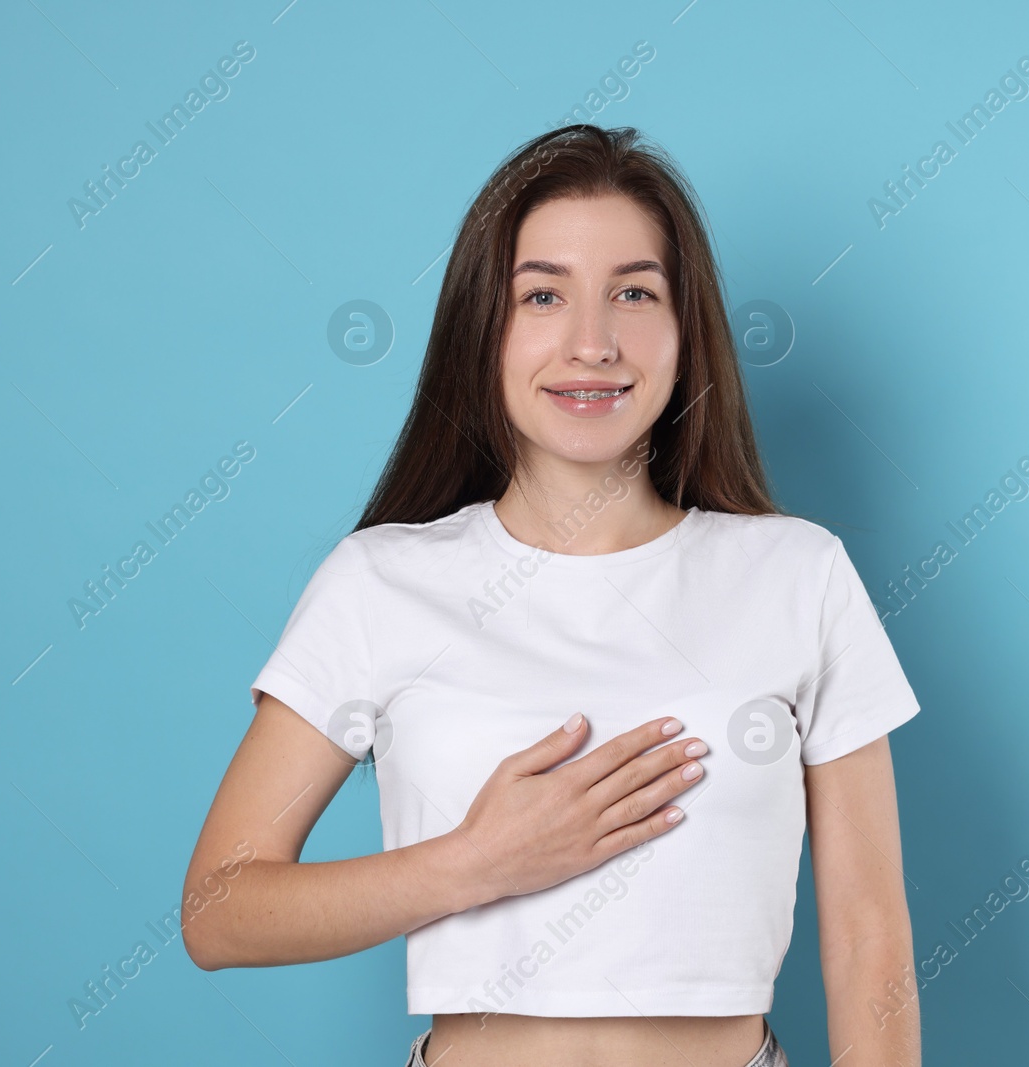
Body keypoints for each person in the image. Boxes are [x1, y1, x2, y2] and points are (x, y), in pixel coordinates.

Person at [181, 124, 923, 1067]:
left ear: (686, 329)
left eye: (634, 292)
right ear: (483, 327)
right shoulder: (379, 582)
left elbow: (869, 935)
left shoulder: (798, 573)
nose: (592, 341)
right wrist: (476, 861)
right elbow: (218, 911)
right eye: (544, 295)